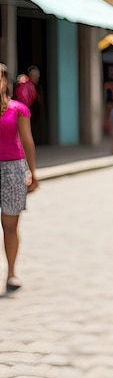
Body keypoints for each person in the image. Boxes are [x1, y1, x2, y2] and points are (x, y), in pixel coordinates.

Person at [0, 63, 39, 293]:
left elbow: (28, 142)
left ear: (5, 81)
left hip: (13, 170)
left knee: (10, 224)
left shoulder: (18, 109)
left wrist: (32, 173)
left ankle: (12, 272)